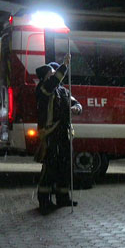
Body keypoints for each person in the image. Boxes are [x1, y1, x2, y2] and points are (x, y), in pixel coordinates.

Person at [34, 54, 82, 214]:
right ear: (45, 77)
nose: (54, 75)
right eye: (51, 73)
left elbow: (76, 103)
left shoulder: (63, 91)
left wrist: (77, 108)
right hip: (50, 133)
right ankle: (44, 200)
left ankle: (63, 197)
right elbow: (53, 83)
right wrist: (65, 65)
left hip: (63, 133)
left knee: (65, 167)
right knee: (50, 167)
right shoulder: (43, 89)